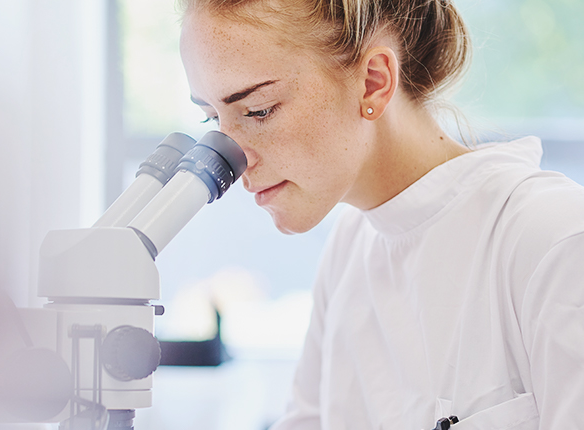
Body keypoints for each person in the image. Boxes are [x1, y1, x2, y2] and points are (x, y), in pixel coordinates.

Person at [178, 0, 584, 428]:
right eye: (212, 118)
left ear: (373, 82)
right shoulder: (350, 248)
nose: (233, 158)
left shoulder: (553, 240)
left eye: (258, 110)